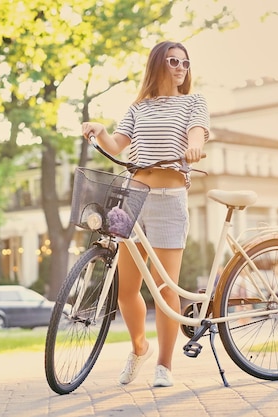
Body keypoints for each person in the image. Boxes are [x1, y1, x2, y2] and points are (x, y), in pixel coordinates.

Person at [82, 41, 209, 388]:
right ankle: (140, 348)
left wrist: (195, 144)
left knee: (166, 290)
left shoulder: (192, 102)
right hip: (134, 197)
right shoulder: (139, 107)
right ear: (158, 64)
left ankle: (165, 365)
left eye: (185, 61)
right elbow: (117, 145)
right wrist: (101, 130)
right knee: (126, 289)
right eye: (173, 61)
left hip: (170, 200)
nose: (180, 67)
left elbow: (197, 130)